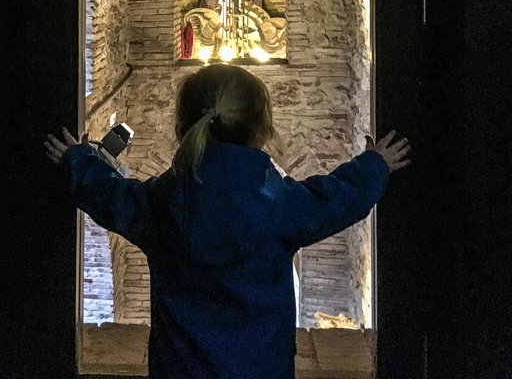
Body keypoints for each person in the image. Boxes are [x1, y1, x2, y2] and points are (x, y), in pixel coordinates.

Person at [45, 64, 410, 379]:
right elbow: (337, 198)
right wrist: (376, 164)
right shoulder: (283, 206)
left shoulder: (160, 204)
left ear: (183, 126)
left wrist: (76, 159)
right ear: (262, 128)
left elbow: (107, 194)